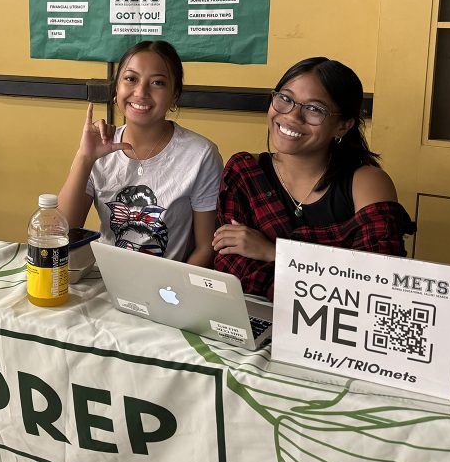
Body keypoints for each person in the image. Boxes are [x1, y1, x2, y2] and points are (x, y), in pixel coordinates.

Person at [213, 57, 413, 298]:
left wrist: (274, 253)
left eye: (314, 109)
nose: (292, 116)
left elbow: (380, 280)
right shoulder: (244, 172)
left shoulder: (366, 183)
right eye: (285, 98)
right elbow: (233, 272)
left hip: (339, 329)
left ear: (343, 126)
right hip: (255, 316)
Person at [58, 41, 222, 265]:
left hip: (169, 288)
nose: (141, 92)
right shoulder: (99, 147)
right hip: (107, 279)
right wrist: (85, 157)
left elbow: (205, 248)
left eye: (157, 82)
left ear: (174, 95)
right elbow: (63, 233)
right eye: (131, 79)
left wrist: (174, 293)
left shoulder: (201, 154)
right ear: (116, 89)